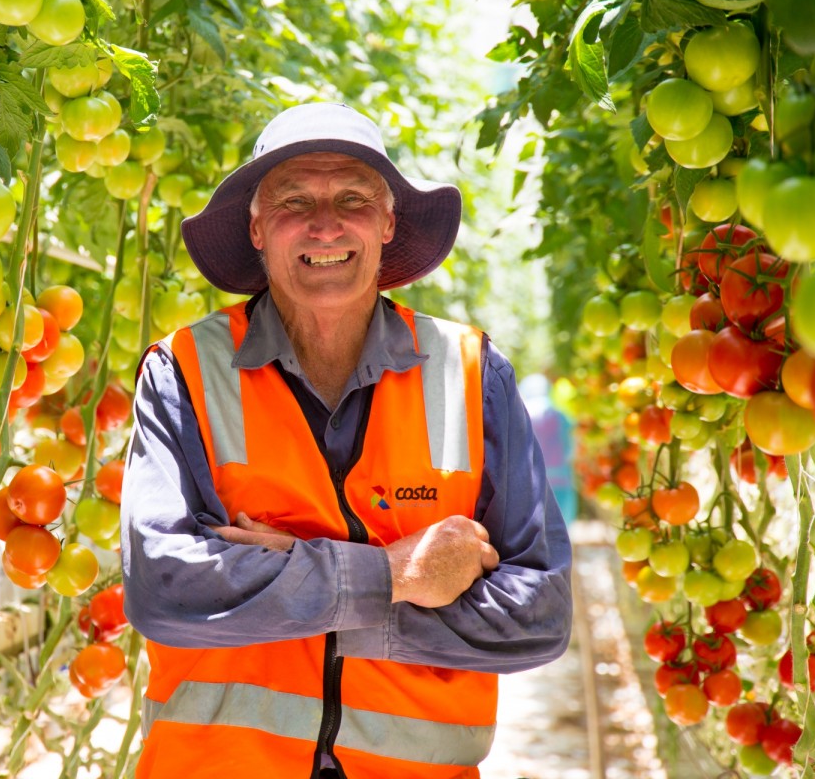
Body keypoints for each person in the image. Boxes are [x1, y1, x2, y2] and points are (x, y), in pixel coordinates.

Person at [120, 102, 572, 779]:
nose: (324, 222)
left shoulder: (474, 373)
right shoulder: (182, 370)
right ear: (257, 227)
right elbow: (166, 590)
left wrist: (291, 581)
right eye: (294, 199)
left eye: (353, 197)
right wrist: (397, 575)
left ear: (388, 223)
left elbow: (539, 615)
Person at [519, 373, 578, 526]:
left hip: (528, 486)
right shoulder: (561, 416)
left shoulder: (521, 413)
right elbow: (571, 450)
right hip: (561, 483)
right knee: (559, 536)